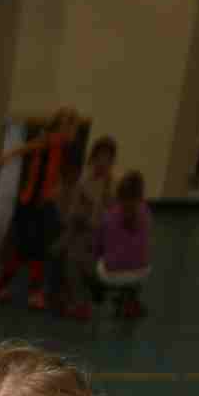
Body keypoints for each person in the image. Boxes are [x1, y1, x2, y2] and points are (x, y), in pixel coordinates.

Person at [0, 109, 79, 309]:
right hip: (29, 205)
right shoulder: (49, 141)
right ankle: (9, 286)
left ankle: (29, 291)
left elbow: (59, 176)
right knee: (26, 251)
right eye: (67, 126)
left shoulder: (64, 149)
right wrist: (6, 156)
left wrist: (58, 190)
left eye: (72, 127)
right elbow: (26, 148)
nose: (70, 131)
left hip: (43, 205)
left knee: (36, 250)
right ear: (58, 127)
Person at [54, 134, 116, 320]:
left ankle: (81, 301)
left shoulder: (111, 183)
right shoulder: (84, 179)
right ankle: (75, 297)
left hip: (97, 233)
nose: (103, 162)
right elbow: (73, 208)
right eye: (100, 157)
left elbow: (110, 214)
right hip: (78, 227)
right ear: (93, 157)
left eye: (108, 158)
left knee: (76, 258)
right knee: (65, 253)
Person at [94, 171, 152, 318]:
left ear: (118, 195)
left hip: (112, 273)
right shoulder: (146, 212)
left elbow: (98, 244)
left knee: (97, 259)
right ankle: (130, 299)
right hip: (142, 270)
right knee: (136, 258)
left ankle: (105, 292)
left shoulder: (109, 215)